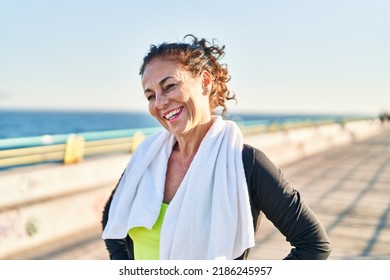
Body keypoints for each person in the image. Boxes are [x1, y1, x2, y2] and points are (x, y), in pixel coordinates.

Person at [101, 35, 332, 260]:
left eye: (169, 86)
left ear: (204, 82)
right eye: (150, 96)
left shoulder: (245, 163)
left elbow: (314, 244)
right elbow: (111, 217)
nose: (159, 103)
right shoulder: (147, 158)